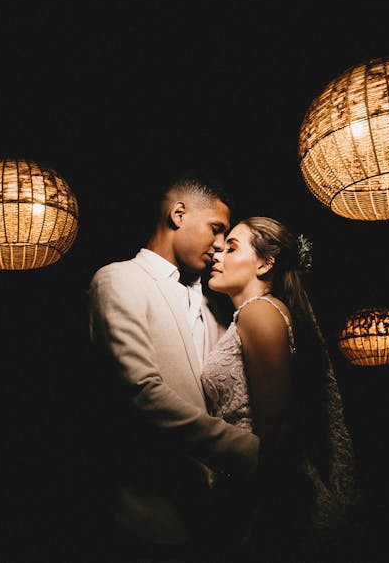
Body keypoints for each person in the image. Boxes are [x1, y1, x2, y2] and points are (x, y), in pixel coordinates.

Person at [86, 175, 261, 560]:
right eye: (216, 229)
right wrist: (252, 453)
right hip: (151, 521)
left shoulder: (215, 306)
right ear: (178, 214)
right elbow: (141, 393)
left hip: (220, 523)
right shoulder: (118, 279)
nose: (219, 245)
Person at [202, 216, 360, 561]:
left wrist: (263, 518)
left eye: (232, 247)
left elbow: (278, 426)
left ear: (264, 263)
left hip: (265, 503)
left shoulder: (258, 313)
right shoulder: (259, 312)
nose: (217, 253)